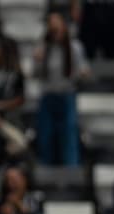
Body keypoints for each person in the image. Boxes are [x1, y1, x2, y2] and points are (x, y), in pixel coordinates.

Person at [33, 11, 90, 166]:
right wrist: (37, 60)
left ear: (64, 27)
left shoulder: (75, 47)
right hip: (47, 96)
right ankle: (45, 168)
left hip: (67, 95)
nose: (55, 30)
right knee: (45, 135)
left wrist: (83, 72)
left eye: (57, 27)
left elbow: (82, 69)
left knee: (69, 134)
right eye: (52, 27)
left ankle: (71, 170)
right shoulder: (43, 47)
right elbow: (35, 74)